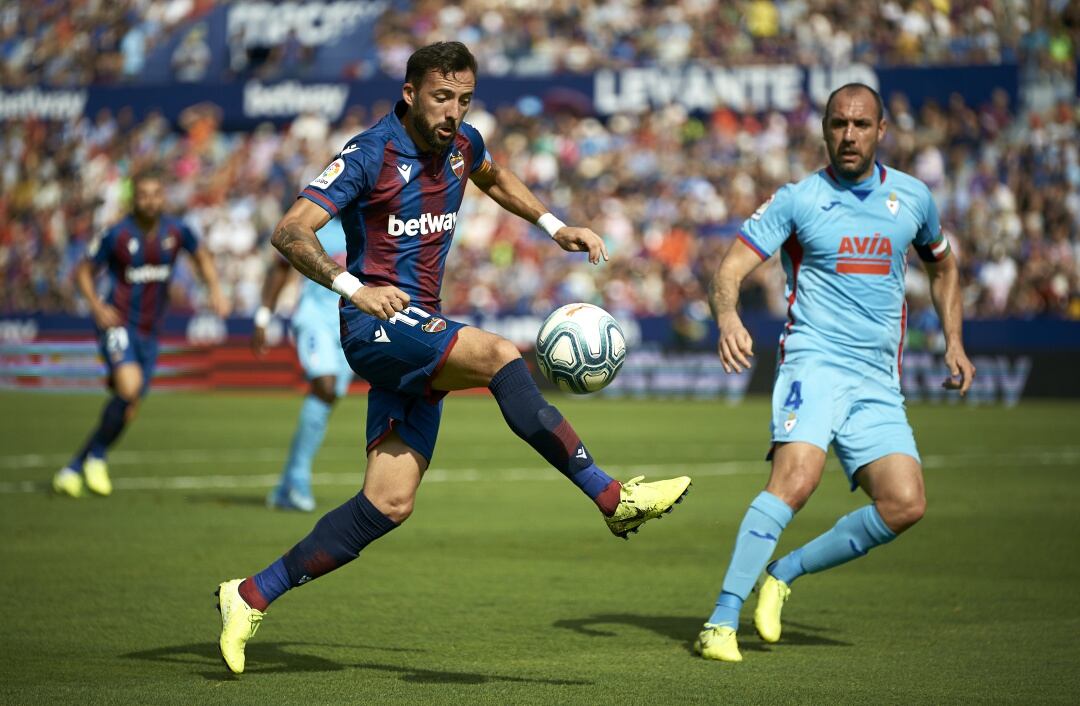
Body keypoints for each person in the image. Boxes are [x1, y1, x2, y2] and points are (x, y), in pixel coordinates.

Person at [215, 41, 692, 674]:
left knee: (387, 504)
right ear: (410, 92)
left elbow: (491, 175)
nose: (454, 112)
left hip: (417, 329)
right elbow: (289, 230)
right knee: (498, 354)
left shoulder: (464, 144)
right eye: (443, 97)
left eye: (464, 99)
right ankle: (611, 497)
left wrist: (555, 227)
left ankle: (249, 595)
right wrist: (355, 287)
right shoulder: (368, 154)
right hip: (374, 325)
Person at [695, 83, 976, 663]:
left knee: (905, 503)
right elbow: (731, 267)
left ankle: (783, 573)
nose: (849, 135)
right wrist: (727, 317)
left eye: (861, 125)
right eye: (838, 124)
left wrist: (954, 340)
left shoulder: (914, 199)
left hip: (877, 379)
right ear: (824, 129)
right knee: (795, 481)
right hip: (813, 361)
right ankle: (720, 620)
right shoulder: (799, 200)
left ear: (881, 131)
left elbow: (944, 268)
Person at [53, 168, 229, 498]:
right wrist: (95, 305)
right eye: (143, 195)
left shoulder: (176, 231)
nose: (150, 201)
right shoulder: (117, 234)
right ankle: (98, 458)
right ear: (134, 199)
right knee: (129, 387)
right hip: (119, 322)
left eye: (155, 194)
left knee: (128, 406)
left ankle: (76, 466)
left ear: (163, 197)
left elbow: (202, 255)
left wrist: (216, 290)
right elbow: (84, 271)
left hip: (151, 330)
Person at [252, 217, 353, 512]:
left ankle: (287, 484)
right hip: (315, 318)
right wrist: (263, 317)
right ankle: (297, 480)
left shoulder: (372, 222)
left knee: (329, 396)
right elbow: (281, 266)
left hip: (349, 325)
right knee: (325, 385)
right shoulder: (316, 223)